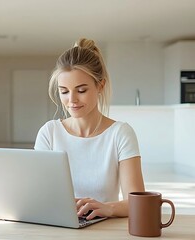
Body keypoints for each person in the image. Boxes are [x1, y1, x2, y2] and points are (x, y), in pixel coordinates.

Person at [34, 38, 145, 220]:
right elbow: (38, 194)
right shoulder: (49, 133)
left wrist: (107, 208)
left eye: (81, 90)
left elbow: (137, 202)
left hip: (104, 228)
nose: (72, 100)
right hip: (58, 225)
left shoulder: (121, 133)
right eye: (64, 91)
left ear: (100, 85)